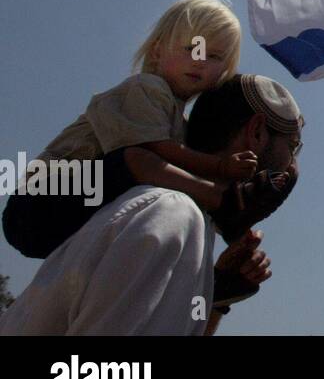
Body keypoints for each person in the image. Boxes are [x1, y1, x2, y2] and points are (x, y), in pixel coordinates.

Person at [0, 74, 301, 336]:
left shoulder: (180, 218)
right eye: (293, 147)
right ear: (257, 132)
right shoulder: (169, 213)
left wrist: (217, 297)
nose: (293, 167)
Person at [2, 0, 283, 258]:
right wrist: (220, 168)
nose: (200, 60)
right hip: (38, 202)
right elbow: (155, 150)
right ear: (157, 51)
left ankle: (227, 215)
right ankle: (223, 202)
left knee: (167, 194)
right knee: (138, 158)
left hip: (80, 223)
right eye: (191, 48)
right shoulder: (145, 88)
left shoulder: (179, 124)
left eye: (215, 56)